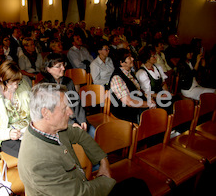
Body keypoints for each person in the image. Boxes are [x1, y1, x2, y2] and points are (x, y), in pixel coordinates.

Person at [18, 83, 151, 196]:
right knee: (137, 187)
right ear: (46, 113)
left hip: (81, 187)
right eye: (65, 109)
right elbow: (79, 193)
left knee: (137, 185)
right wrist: (106, 180)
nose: (71, 112)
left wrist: (103, 161)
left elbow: (79, 134)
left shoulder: (50, 129)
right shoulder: (38, 161)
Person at [0, 61, 31, 165]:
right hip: (4, 136)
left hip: (27, 129)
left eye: (18, 82)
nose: (16, 86)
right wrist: (8, 133)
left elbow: (33, 108)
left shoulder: (23, 85)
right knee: (29, 152)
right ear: (1, 79)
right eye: (12, 83)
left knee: (43, 143)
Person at [41, 53, 96, 138]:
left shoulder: (68, 81)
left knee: (94, 134)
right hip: (60, 123)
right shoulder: (44, 86)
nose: (63, 68)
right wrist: (71, 123)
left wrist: (82, 120)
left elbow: (77, 102)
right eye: (59, 66)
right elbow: (53, 112)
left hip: (76, 118)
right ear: (48, 69)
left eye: (63, 65)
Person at [109, 49, 155, 124]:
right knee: (148, 113)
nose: (133, 59)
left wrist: (148, 98)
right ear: (121, 63)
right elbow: (128, 102)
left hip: (134, 106)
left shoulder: (129, 73)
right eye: (129, 58)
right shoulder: (117, 78)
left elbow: (138, 91)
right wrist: (148, 103)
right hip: (125, 112)